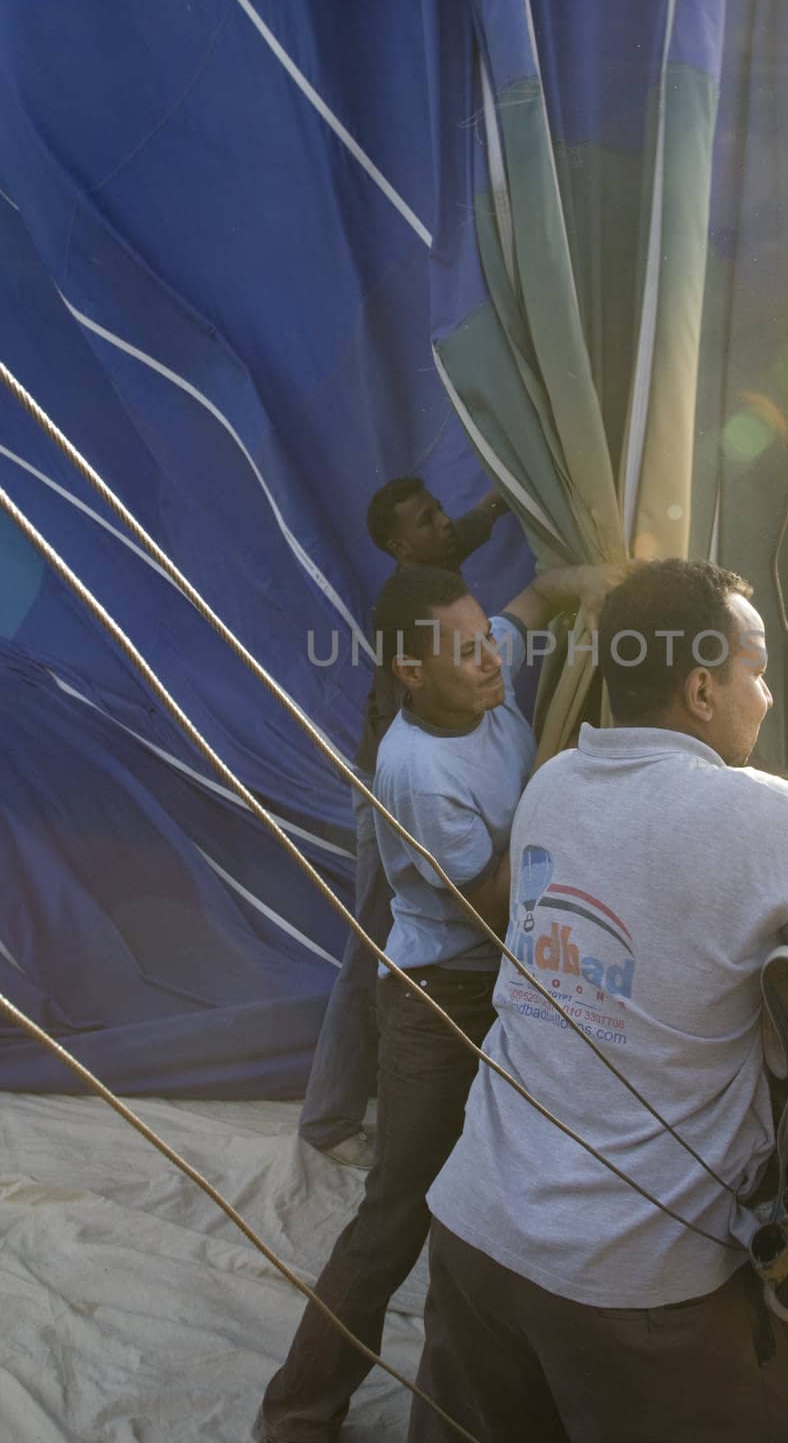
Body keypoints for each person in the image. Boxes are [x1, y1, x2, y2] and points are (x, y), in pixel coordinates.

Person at [408, 558, 788, 1443]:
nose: (769, 697)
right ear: (704, 690)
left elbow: (678, 849)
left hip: (475, 1230)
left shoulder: (554, 784)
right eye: (757, 672)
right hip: (626, 1280)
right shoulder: (757, 822)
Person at [256, 556, 626, 1443]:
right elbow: (494, 898)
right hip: (442, 998)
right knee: (397, 1211)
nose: (494, 660)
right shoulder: (416, 770)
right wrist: (573, 789)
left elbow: (531, 603)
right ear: (411, 673)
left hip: (513, 976)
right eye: (468, 652)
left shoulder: (477, 667)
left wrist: (598, 574)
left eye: (486, 643)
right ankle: (297, 1411)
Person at [299, 477, 510, 1168]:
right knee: (370, 951)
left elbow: (461, 536)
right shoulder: (413, 604)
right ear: (400, 546)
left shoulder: (432, 566)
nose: (444, 524)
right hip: (391, 796)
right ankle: (328, 1121)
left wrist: (488, 510)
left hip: (404, 784)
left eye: (442, 510)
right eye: (428, 520)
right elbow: (410, 754)